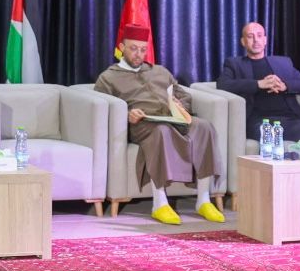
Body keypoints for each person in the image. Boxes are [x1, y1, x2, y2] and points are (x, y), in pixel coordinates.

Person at [93, 25, 225, 226]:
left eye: (142, 49)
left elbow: (183, 94)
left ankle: (203, 199)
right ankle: (159, 203)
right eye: (133, 48)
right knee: (162, 131)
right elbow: (104, 109)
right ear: (121, 47)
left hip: (172, 118)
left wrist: (180, 105)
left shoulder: (160, 71)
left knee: (204, 127)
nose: (138, 54)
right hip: (143, 124)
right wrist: (128, 115)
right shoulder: (108, 78)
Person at [215, 21, 300, 149]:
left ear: (265, 40)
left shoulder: (283, 63)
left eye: (259, 35)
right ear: (243, 42)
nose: (256, 40)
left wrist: (285, 85)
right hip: (259, 121)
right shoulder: (235, 64)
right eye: (250, 36)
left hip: (289, 118)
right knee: (269, 137)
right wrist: (258, 84)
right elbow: (223, 84)